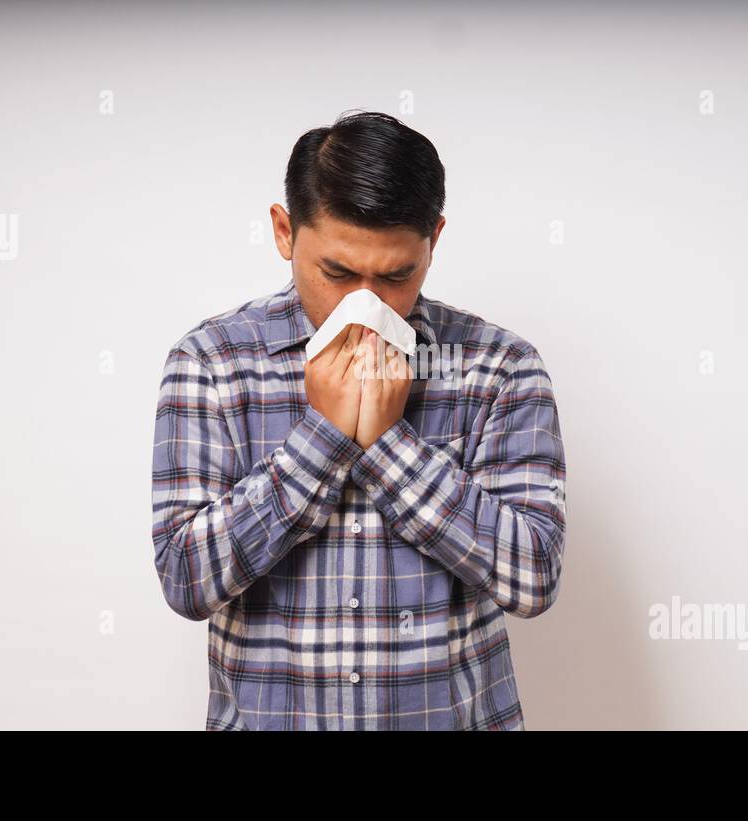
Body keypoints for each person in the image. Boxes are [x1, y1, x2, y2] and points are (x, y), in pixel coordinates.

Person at [150, 110, 567, 730]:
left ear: (435, 240)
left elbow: (533, 578)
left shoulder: (498, 365)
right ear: (284, 232)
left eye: (397, 275)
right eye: (339, 273)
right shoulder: (212, 362)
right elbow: (187, 580)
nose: (366, 304)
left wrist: (389, 445)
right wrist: (323, 438)